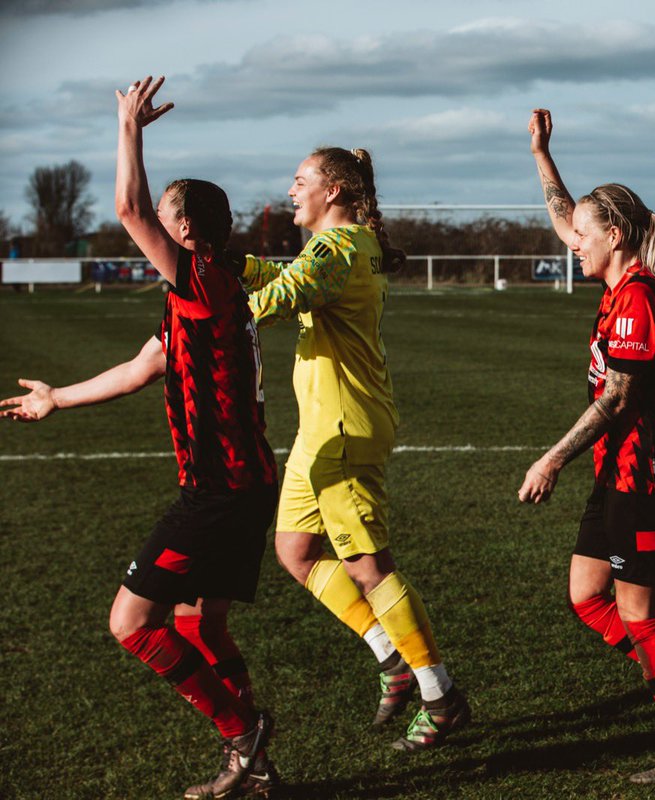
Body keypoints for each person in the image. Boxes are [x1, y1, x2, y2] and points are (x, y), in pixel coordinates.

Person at [2, 76, 279, 798]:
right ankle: (254, 765)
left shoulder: (208, 281)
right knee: (198, 626)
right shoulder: (196, 299)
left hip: (219, 490)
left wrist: (130, 127)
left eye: (164, 216)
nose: (150, 221)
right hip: (243, 483)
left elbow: (125, 206)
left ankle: (243, 738)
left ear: (186, 232)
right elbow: (138, 370)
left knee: (131, 623)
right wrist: (56, 398)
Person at [519, 108, 655, 784]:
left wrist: (551, 458)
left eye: (582, 235)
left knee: (639, 614)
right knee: (588, 596)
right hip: (620, 473)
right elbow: (563, 216)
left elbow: (617, 399)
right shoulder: (613, 277)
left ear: (613, 235)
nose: (570, 243)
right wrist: (543, 156)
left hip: (652, 475)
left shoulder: (638, 299)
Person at [240, 145, 468, 750]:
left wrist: (214, 313)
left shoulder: (335, 248)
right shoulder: (351, 244)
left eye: (300, 180)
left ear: (333, 190)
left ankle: (440, 695)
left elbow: (281, 297)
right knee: (295, 549)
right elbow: (282, 278)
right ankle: (392, 659)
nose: (291, 190)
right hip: (323, 431)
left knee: (369, 567)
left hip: (342, 430)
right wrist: (226, 265)